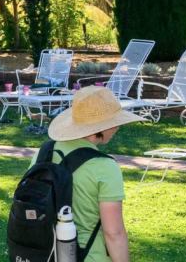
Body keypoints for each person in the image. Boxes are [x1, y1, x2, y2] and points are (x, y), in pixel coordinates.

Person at [30, 86, 138, 262]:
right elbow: (114, 233)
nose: (118, 127)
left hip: (46, 254)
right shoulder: (105, 167)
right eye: (115, 122)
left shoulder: (43, 154)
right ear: (102, 127)